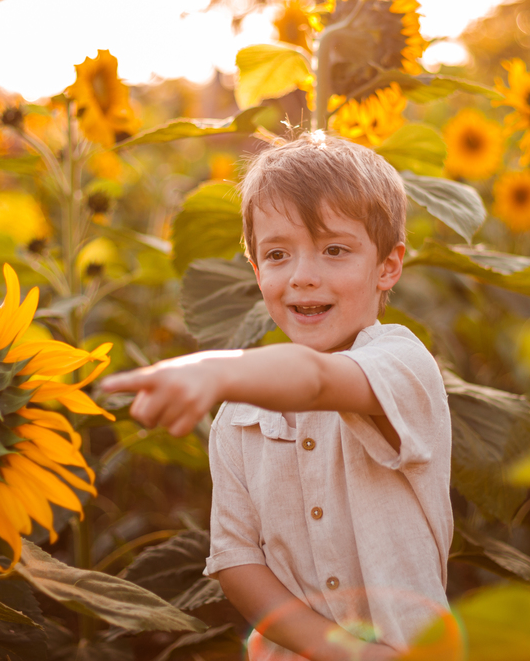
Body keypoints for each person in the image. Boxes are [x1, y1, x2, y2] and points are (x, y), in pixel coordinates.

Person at [100, 132, 452, 661]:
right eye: (279, 254)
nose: (303, 277)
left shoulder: (402, 364)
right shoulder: (237, 415)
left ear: (388, 266)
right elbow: (238, 560)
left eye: (334, 250)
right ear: (256, 269)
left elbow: (315, 381)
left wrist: (213, 368)